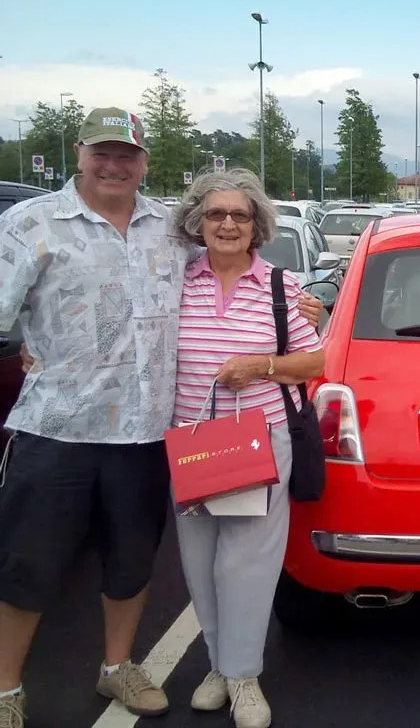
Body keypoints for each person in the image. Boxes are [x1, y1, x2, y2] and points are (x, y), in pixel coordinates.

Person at [0, 108, 323, 728]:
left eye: (127, 154)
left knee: (132, 562)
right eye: (103, 152)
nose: (114, 164)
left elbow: (309, 341)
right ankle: (8, 688)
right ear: (80, 153)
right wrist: (30, 341)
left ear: (143, 161)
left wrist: (282, 347)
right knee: (29, 563)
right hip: (58, 428)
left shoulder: (172, 238)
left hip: (152, 435)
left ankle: (128, 668)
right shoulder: (29, 223)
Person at [171, 169, 324, 728]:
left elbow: (314, 363)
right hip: (190, 441)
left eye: (240, 215)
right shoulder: (178, 283)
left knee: (249, 563)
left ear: (257, 225)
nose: (228, 224)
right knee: (201, 561)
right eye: (216, 214)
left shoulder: (284, 290)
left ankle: (243, 676)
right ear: (197, 223)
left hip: (259, 442)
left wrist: (259, 366)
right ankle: (216, 665)